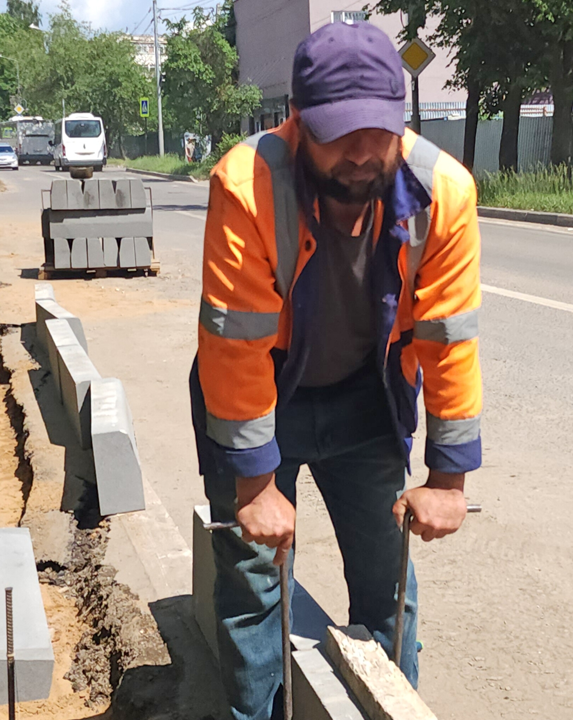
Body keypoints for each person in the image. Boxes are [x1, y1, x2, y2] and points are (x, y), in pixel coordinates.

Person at [190, 21, 482, 720]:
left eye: (375, 132)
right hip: (264, 396)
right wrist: (256, 482)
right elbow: (235, 344)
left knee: (387, 586)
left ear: (400, 119)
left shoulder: (443, 192)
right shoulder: (248, 183)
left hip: (365, 400)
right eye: (338, 133)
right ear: (298, 121)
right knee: (255, 587)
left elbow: (449, 339)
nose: (359, 154)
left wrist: (447, 480)